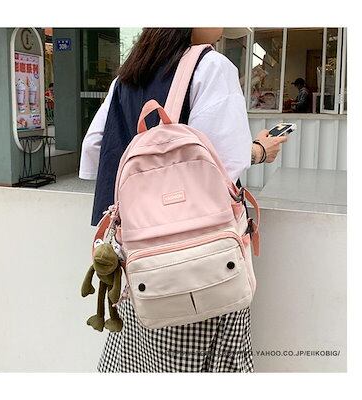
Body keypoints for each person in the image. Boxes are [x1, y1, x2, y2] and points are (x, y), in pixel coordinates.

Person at [79, 28, 287, 373]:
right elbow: (223, 162)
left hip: (139, 252)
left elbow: (94, 148)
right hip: (197, 253)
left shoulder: (127, 77)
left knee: (141, 355)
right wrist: (260, 150)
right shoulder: (211, 66)